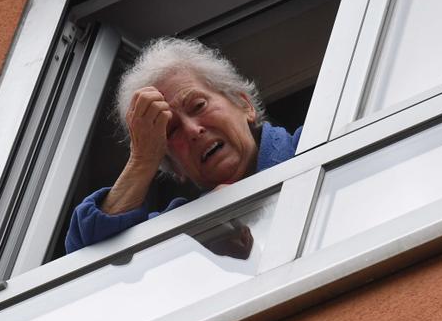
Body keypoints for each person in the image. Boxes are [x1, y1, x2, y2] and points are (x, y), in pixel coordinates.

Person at [65, 37, 302, 253]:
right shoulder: (180, 232)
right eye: (172, 129)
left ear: (244, 105)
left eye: (198, 105)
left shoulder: (314, 144)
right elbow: (87, 256)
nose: (192, 131)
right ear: (176, 169)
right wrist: (142, 161)